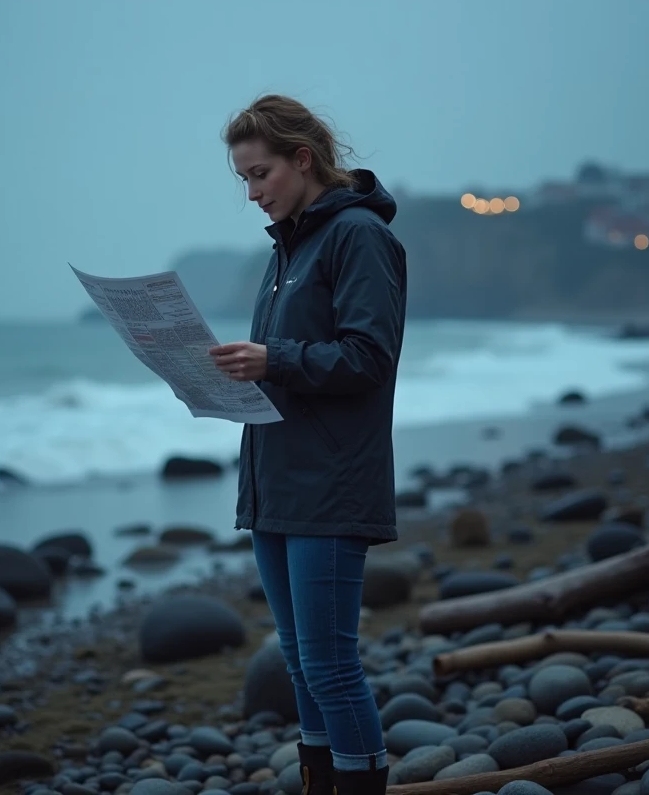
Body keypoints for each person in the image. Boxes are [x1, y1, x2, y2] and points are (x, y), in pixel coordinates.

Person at [208, 94, 407, 795]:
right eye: (244, 180)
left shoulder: (359, 237)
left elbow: (367, 357)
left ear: (302, 159)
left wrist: (272, 360)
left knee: (329, 664)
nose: (253, 192)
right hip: (274, 481)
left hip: (330, 483)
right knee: (298, 663)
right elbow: (287, 361)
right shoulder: (287, 247)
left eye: (261, 174)